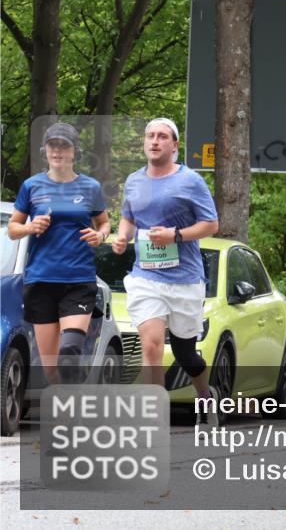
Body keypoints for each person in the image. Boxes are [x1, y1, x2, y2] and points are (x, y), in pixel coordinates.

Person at [111, 118, 220, 424]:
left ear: (175, 145)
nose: (155, 141)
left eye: (162, 136)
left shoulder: (190, 181)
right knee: (152, 345)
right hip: (146, 277)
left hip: (185, 279)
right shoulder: (133, 181)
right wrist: (122, 237)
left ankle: (204, 394)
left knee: (186, 354)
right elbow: (128, 218)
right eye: (150, 136)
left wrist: (176, 236)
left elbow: (211, 224)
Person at [8, 122, 111, 383]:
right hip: (41, 280)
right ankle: (69, 411)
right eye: (53, 145)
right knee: (51, 366)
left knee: (69, 352)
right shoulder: (32, 186)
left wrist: (99, 236)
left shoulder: (90, 187)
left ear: (75, 151)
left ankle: (74, 404)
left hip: (77, 279)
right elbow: (12, 229)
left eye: (64, 146)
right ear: (45, 150)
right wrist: (30, 226)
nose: (58, 151)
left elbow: (105, 223)